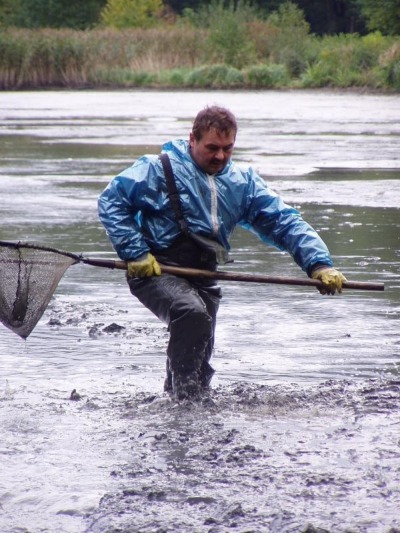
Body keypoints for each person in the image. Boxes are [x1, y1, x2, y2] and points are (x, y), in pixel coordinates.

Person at [98, 105, 346, 401]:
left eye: (228, 149)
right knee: (191, 315)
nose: (220, 156)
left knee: (199, 359)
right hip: (155, 271)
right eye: (212, 148)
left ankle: (178, 407)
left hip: (204, 276)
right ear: (192, 139)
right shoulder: (157, 169)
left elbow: (284, 221)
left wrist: (319, 263)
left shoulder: (243, 183)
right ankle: (184, 408)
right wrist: (134, 252)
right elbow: (112, 201)